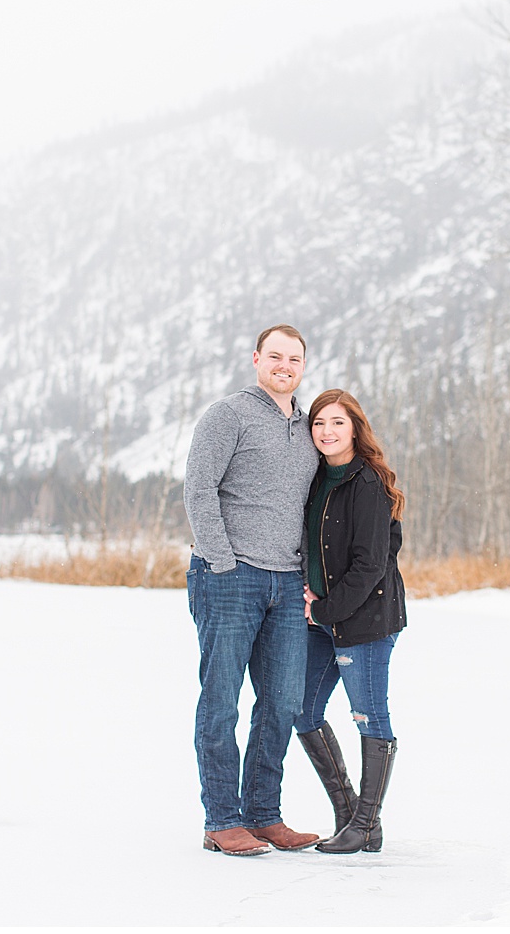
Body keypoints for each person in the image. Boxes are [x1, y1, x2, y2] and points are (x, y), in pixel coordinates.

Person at [183, 324, 322, 857]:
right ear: (257, 359)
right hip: (230, 577)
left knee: (282, 701)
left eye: (295, 359)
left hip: (287, 584)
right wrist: (221, 560)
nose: (285, 366)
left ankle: (263, 814)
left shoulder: (308, 426)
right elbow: (199, 487)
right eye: (276, 356)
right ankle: (221, 819)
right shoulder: (228, 415)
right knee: (220, 701)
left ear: (303, 367)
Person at [294, 388, 406, 854]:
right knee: (301, 709)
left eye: (338, 422)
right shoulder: (315, 478)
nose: (327, 431)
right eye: (319, 423)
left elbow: (370, 564)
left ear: (356, 428)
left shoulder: (368, 484)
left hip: (364, 620)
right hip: (322, 621)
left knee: (368, 714)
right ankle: (350, 814)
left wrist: (324, 608)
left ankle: (367, 823)